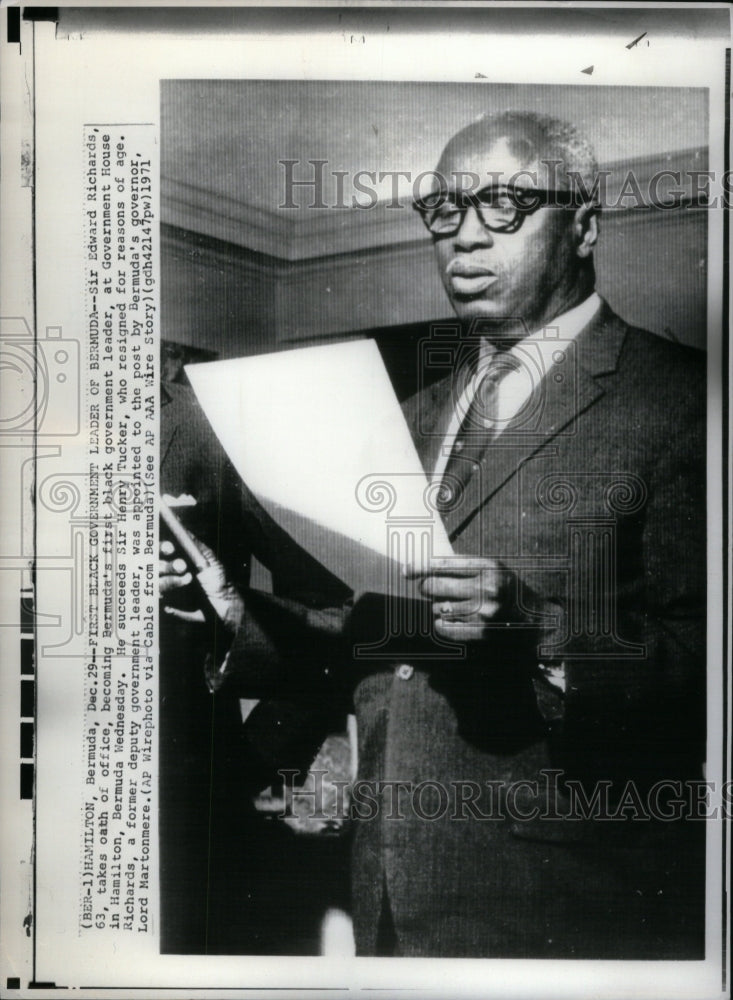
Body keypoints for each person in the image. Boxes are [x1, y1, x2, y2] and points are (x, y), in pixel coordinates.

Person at [188, 110, 707, 959]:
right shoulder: (412, 415)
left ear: (583, 225)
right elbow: (379, 634)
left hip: (563, 908)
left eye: (503, 205)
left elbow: (708, 670)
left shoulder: (685, 400)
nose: (463, 237)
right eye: (443, 209)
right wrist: (225, 608)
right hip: (387, 890)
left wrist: (541, 631)